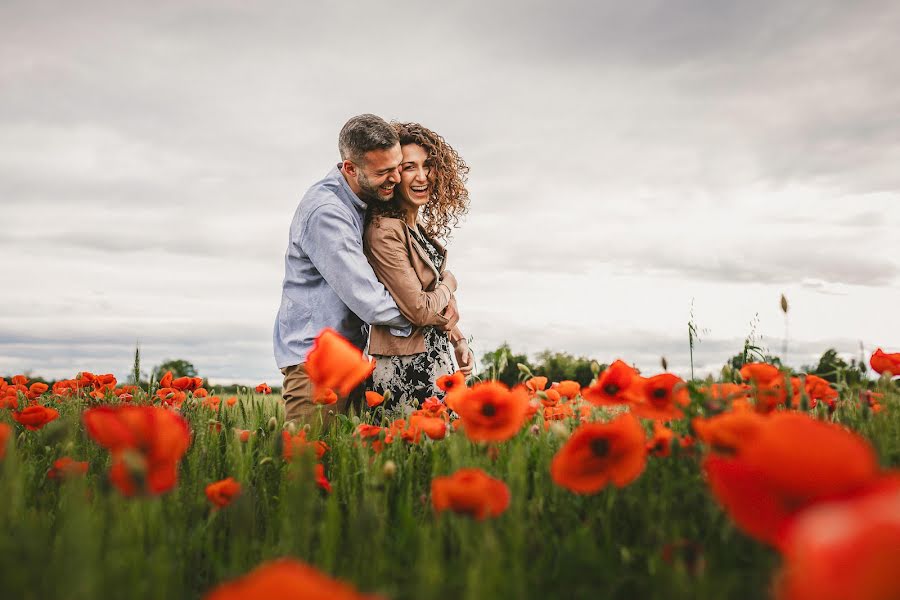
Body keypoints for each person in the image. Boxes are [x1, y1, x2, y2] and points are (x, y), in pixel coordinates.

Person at [273, 114, 459, 426]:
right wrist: (431, 313)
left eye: (396, 167)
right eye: (384, 172)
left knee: (347, 467)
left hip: (351, 357)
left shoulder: (366, 199)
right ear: (350, 168)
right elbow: (372, 302)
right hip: (315, 364)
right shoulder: (328, 213)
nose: (396, 179)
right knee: (305, 466)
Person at [364, 122, 473, 412]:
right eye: (410, 167)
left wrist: (459, 340)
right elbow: (420, 308)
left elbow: (431, 295)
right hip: (404, 370)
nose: (422, 177)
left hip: (436, 359)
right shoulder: (385, 231)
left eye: (428, 166)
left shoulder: (416, 229)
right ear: (394, 174)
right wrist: (450, 284)